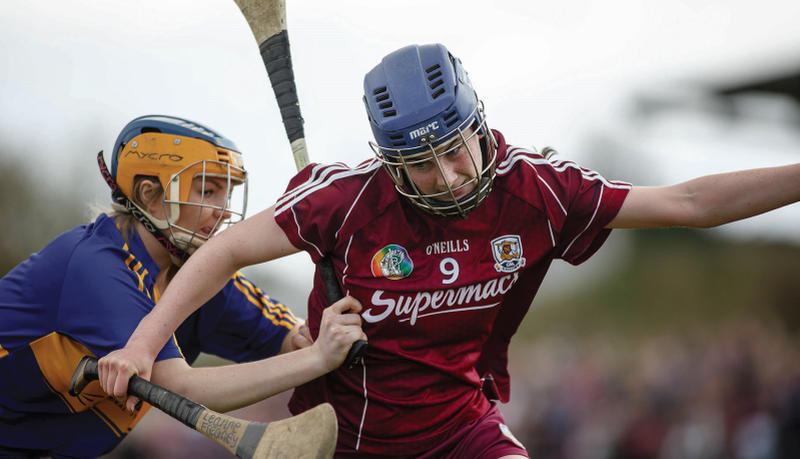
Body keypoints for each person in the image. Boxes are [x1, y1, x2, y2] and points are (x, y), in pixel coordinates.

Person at [98, 44, 800, 458]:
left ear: (477, 123)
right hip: (346, 436)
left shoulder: (538, 190)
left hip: (463, 428)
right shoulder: (345, 202)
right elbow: (222, 253)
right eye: (421, 165)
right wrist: (140, 342)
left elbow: (688, 203)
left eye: (454, 151)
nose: (448, 177)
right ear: (389, 160)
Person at [0, 114, 365, 458]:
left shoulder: (201, 279)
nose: (222, 210)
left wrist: (314, 336)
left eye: (227, 193)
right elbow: (179, 387)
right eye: (207, 190)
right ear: (149, 194)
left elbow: (291, 339)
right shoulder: (99, 268)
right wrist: (316, 358)